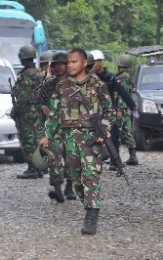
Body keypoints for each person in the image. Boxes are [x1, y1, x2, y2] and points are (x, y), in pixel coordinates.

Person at [39, 48, 114, 235]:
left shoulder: (98, 85)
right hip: (69, 139)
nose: (69, 65)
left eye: (73, 62)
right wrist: (46, 134)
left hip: (90, 139)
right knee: (75, 177)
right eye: (68, 62)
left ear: (84, 64)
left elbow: (109, 112)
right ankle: (87, 203)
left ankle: (92, 214)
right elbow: (54, 114)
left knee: (90, 175)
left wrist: (103, 130)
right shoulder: (62, 87)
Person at [36, 51, 76, 200]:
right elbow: (39, 106)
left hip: (71, 127)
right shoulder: (48, 86)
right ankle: (58, 187)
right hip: (53, 128)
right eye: (57, 65)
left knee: (72, 158)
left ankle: (69, 187)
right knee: (54, 158)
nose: (60, 68)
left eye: (62, 64)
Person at [91, 50, 137, 170]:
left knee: (114, 134)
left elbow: (122, 91)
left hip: (108, 111)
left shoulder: (109, 77)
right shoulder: (86, 77)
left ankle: (114, 161)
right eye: (96, 61)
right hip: (92, 112)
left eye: (99, 61)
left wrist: (131, 105)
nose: (98, 64)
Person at [11, 45, 45, 179]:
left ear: (22, 58)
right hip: (39, 112)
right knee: (38, 139)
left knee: (28, 140)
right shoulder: (40, 73)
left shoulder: (25, 76)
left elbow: (23, 98)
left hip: (27, 113)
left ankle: (32, 168)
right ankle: (39, 167)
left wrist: (14, 111)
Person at [115, 54, 139, 165]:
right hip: (125, 108)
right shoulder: (128, 76)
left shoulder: (122, 77)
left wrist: (119, 109)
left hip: (122, 109)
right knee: (126, 131)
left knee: (120, 132)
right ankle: (132, 157)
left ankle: (115, 159)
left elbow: (122, 94)